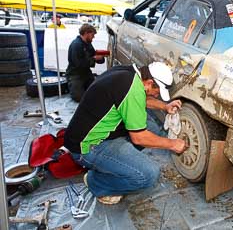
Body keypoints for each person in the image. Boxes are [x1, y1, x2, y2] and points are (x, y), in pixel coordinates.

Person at [64, 62, 188, 205]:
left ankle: (117, 164)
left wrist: (165, 106)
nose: (157, 95)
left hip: (90, 132)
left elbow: (141, 98)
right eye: (157, 91)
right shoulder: (132, 90)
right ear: (149, 82)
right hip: (88, 147)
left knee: (151, 128)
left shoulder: (129, 74)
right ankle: (96, 182)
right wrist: (172, 144)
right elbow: (139, 138)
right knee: (148, 174)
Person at [66, 23, 105, 102]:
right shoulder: (76, 45)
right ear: (86, 33)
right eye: (92, 35)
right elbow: (78, 64)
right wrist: (94, 59)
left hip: (86, 73)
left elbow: (95, 56)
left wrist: (100, 58)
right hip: (75, 75)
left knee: (96, 92)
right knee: (79, 98)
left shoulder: (88, 44)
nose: (93, 37)